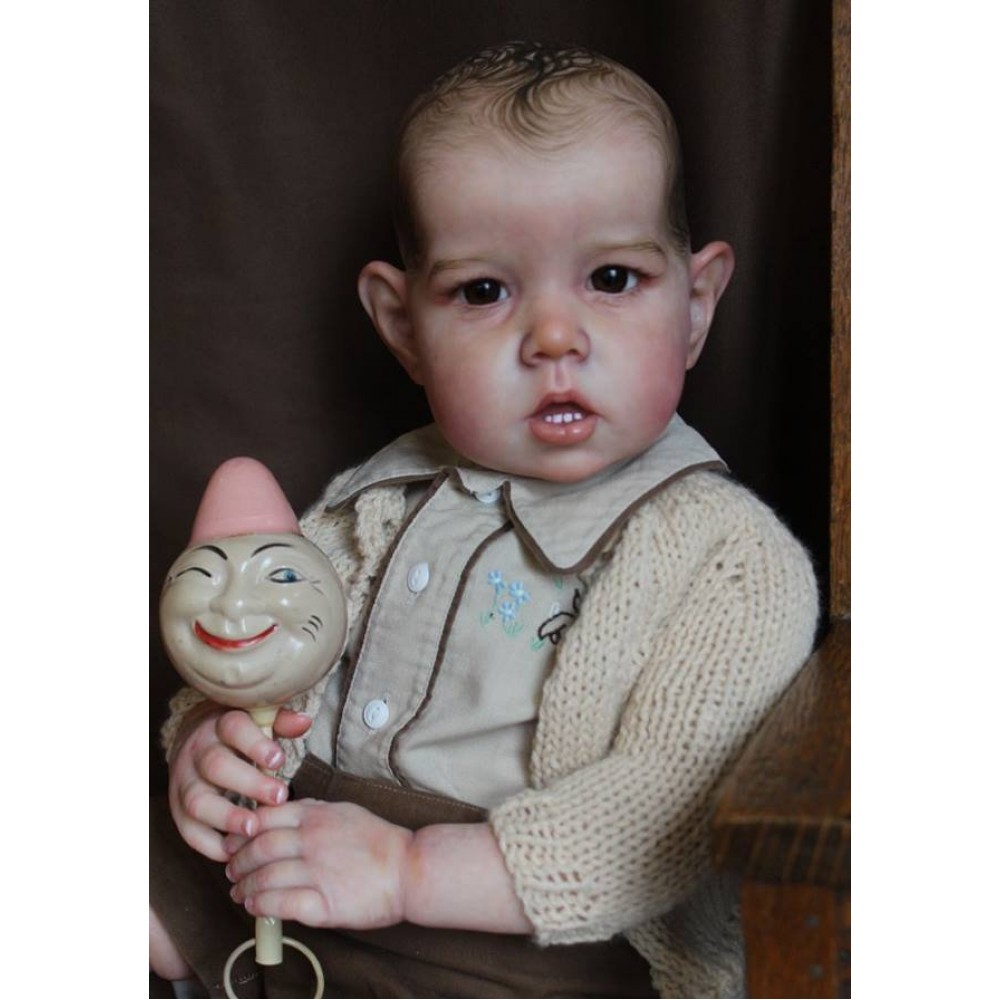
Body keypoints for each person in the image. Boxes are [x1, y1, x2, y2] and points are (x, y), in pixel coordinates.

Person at [150, 40, 819, 998]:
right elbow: (264, 660)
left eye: (612, 279)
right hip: (294, 860)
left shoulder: (727, 558)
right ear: (403, 328)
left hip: (524, 931)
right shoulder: (374, 501)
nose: (554, 337)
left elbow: (659, 820)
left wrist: (408, 871)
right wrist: (212, 751)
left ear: (697, 304)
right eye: (484, 291)